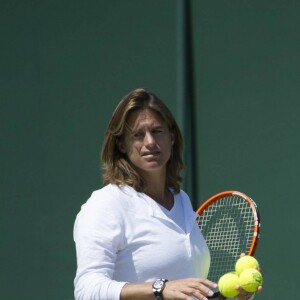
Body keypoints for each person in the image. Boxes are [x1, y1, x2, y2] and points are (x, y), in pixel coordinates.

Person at [74, 88, 261, 300]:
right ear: (121, 144)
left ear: (171, 137)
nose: (150, 142)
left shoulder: (181, 200)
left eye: (157, 131)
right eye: (138, 135)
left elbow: (186, 289)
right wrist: (160, 288)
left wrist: (236, 295)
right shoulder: (105, 204)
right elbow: (86, 291)